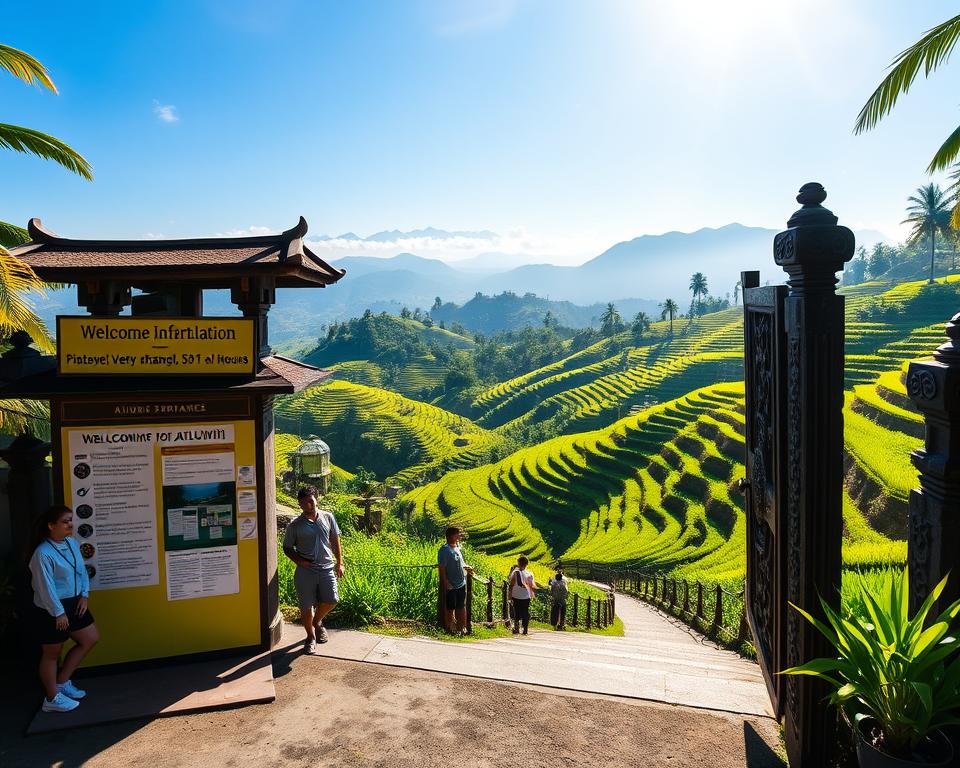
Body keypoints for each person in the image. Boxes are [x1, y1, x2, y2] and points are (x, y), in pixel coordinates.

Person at [28, 505, 100, 713]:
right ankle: (51, 698)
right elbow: (44, 587)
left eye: (70, 520)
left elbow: (81, 571)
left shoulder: (71, 543)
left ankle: (62, 682)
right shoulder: (42, 553)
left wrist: (84, 595)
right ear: (51, 526)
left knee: (90, 639)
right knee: (52, 653)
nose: (70, 524)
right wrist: (58, 612)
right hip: (52, 608)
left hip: (75, 602)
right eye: (65, 521)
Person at [282, 486, 344, 655]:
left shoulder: (328, 517)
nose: (308, 505)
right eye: (303, 503)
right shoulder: (295, 525)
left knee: (332, 599)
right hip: (305, 571)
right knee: (306, 606)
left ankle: (317, 622)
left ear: (317, 500)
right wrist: (300, 562)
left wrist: (340, 563)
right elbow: (287, 548)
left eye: (310, 501)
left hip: (326, 568)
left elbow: (335, 540)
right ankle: (310, 637)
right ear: (299, 504)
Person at [437, 526, 473, 634]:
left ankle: (462, 628)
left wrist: (467, 567)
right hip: (450, 584)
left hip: (461, 583)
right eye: (457, 534)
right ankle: (450, 628)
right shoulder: (444, 550)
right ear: (451, 536)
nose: (459, 537)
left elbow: (461, 564)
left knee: (461, 606)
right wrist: (444, 584)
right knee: (450, 607)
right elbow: (442, 568)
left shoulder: (457, 548)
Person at [510, 556, 537, 635]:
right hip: (526, 596)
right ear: (527, 564)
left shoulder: (516, 572)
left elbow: (511, 584)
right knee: (525, 612)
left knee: (517, 612)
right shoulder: (530, 574)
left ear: (518, 563)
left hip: (516, 595)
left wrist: (509, 595)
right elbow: (532, 586)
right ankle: (525, 629)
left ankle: (516, 628)